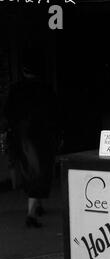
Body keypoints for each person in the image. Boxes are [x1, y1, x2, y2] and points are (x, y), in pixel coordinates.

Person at [3, 50, 61, 228]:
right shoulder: (46, 89)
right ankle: (31, 213)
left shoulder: (16, 89)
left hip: (21, 135)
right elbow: (55, 114)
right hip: (41, 136)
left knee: (29, 171)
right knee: (40, 172)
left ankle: (37, 206)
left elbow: (7, 113)